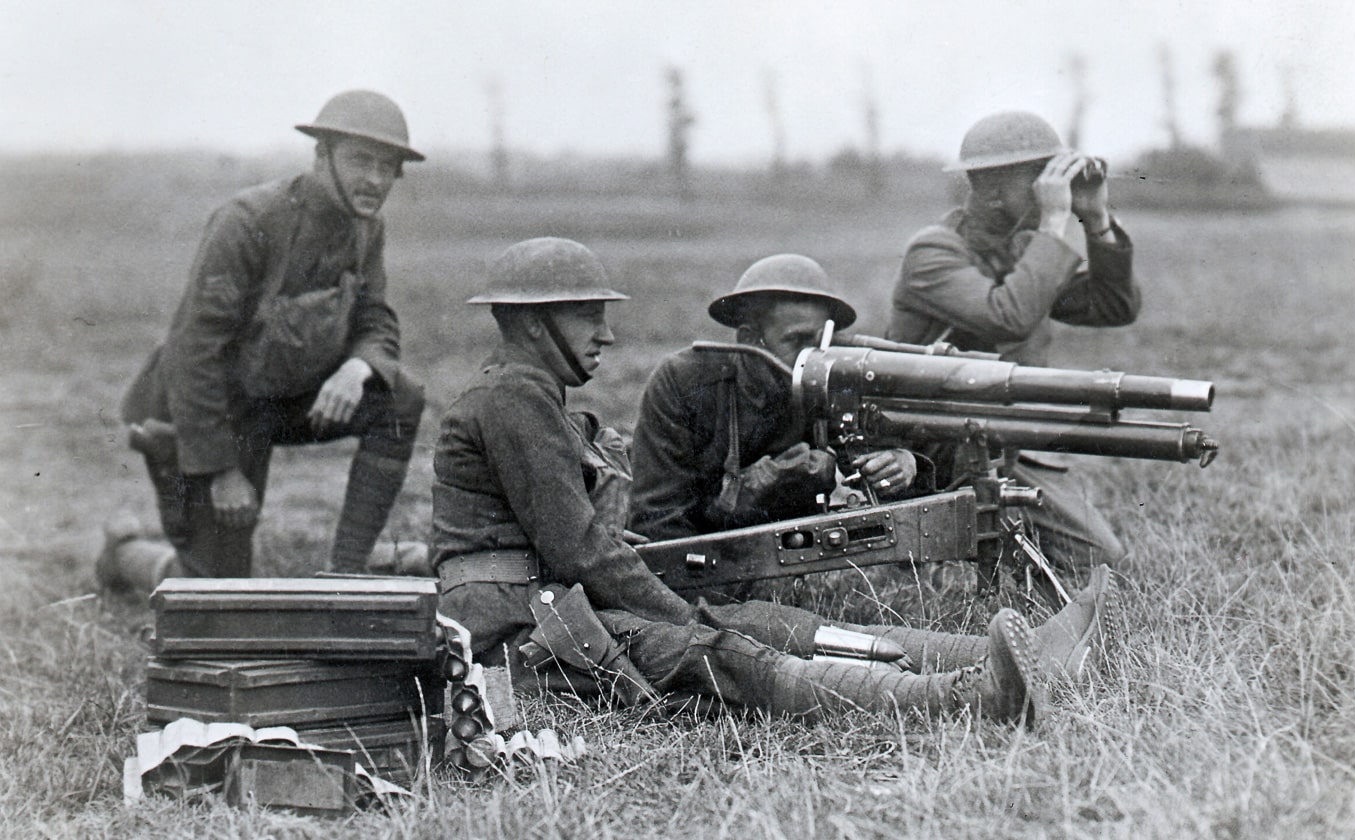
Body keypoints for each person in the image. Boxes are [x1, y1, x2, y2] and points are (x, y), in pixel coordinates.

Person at [430, 236, 1122, 727]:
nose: (605, 334)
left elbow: (586, 546)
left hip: (550, 605)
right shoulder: (513, 400)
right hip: (518, 632)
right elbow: (581, 549)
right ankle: (966, 696)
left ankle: (1027, 654)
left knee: (777, 624)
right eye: (586, 313)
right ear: (529, 320)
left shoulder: (529, 397)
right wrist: (678, 611)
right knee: (726, 651)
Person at [99, 90, 426, 591]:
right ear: (322, 153)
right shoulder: (247, 221)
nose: (376, 180)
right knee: (216, 597)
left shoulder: (366, 229)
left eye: (388, 167)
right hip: (203, 415)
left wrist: (357, 367)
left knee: (397, 395)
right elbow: (194, 353)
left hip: (278, 402)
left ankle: (344, 575)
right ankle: (123, 554)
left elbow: (376, 318)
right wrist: (222, 471)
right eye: (362, 161)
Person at [886, 110, 1142, 579]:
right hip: (932, 450)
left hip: (1004, 440)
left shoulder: (1024, 249)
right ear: (989, 191)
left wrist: (1097, 220)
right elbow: (1009, 315)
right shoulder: (932, 253)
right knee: (965, 575)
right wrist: (1054, 224)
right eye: (1040, 181)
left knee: (1098, 559)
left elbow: (1112, 306)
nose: (1053, 192)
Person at [628, 253, 926, 542]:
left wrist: (903, 464)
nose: (813, 358)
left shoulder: (829, 385)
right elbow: (658, 521)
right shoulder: (683, 383)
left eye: (821, 343)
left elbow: (877, 477)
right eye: (796, 341)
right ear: (748, 340)